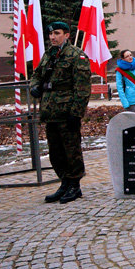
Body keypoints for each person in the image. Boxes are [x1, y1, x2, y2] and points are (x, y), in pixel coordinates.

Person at [29, 21, 91, 204]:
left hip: (67, 112)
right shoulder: (49, 54)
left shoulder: (76, 56)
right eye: (50, 34)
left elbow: (82, 88)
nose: (52, 37)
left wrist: (76, 113)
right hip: (51, 111)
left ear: (66, 35)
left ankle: (75, 185)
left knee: (71, 150)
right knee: (55, 151)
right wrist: (34, 87)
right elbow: (37, 75)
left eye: (56, 33)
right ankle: (64, 182)